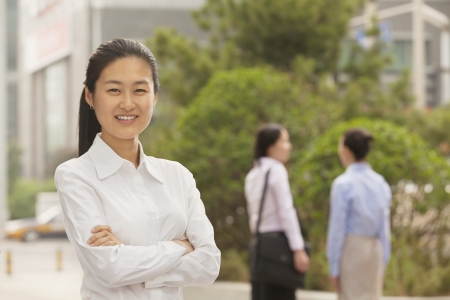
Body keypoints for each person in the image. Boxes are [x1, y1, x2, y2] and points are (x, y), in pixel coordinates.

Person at [54, 38, 220, 300]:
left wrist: (129, 254)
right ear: (90, 95)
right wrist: (179, 247)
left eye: (140, 90)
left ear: (155, 97)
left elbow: (210, 264)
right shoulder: (75, 175)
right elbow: (110, 267)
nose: (128, 104)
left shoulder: (178, 175)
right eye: (114, 90)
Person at [245, 123, 310, 300]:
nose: (289, 146)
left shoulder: (253, 174)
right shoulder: (276, 170)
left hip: (260, 247)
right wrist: (298, 249)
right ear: (271, 147)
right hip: (279, 247)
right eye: (284, 141)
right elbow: (286, 211)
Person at [326, 128, 392, 300]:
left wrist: (333, 266)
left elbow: (337, 228)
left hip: (352, 250)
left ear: (347, 151)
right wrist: (384, 260)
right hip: (375, 250)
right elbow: (384, 227)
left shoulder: (343, 184)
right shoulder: (380, 182)